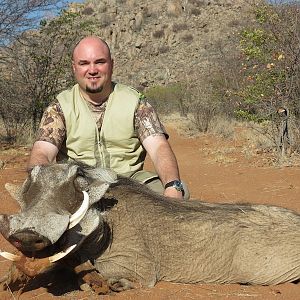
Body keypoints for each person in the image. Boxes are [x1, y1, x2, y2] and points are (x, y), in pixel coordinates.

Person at [27, 36, 189, 199]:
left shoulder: (136, 102)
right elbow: (42, 151)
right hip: (77, 187)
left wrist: (172, 185)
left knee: (178, 191)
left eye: (99, 62)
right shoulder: (59, 107)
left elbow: (159, 147)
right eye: (84, 63)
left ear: (111, 64)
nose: (92, 70)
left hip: (130, 184)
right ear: (74, 67)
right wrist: (40, 183)